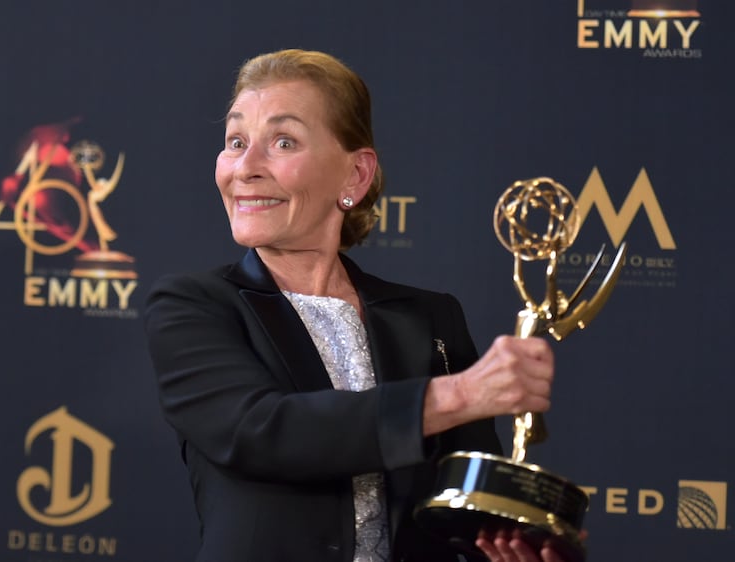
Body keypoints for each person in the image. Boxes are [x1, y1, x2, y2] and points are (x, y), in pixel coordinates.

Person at [145, 49, 569, 562]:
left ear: (355, 176)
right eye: (236, 142)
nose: (246, 168)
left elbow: (467, 505)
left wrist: (517, 542)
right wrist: (458, 394)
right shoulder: (194, 307)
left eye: (282, 141)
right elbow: (263, 431)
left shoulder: (431, 317)